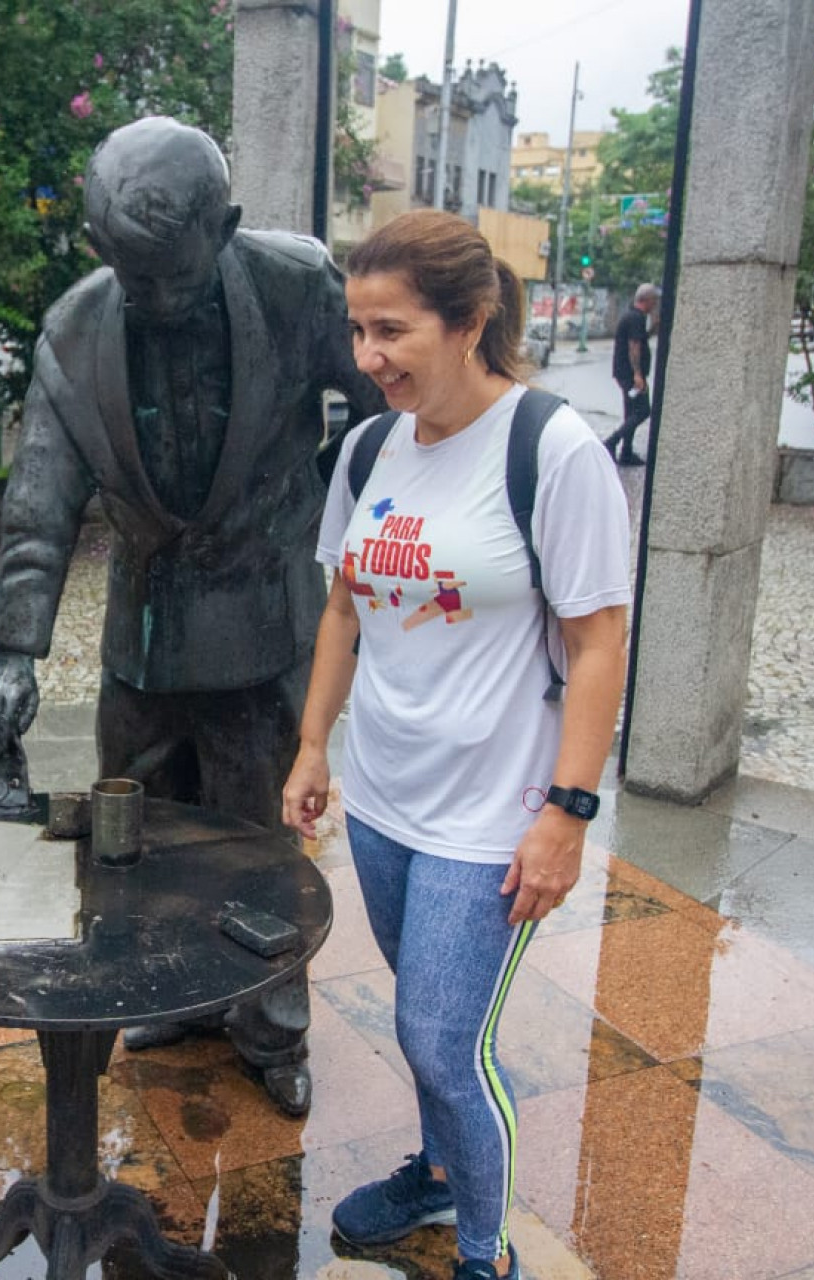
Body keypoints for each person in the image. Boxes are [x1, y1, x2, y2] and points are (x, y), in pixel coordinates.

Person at [0, 116, 387, 1117]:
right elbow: (41, 501)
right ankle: (178, 994)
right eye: (126, 270)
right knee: (137, 831)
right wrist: (13, 653)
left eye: (168, 274)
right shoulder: (74, 330)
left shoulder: (296, 287)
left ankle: (269, 1022)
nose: (146, 296)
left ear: (227, 226)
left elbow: (388, 399)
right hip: (145, 633)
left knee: (258, 833)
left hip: (264, 617)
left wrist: (324, 502)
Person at [280, 210, 631, 1280]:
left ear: (470, 321)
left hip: (495, 810)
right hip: (387, 797)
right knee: (424, 1010)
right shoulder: (370, 447)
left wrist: (565, 814)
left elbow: (598, 637)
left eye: (392, 331)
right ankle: (438, 1171)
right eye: (357, 330)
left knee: (443, 1036)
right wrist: (311, 746)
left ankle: (486, 1251)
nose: (367, 357)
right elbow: (343, 606)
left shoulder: (551, 448)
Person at [603, 282, 661, 465]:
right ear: (647, 299)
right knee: (643, 410)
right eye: (654, 300)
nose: (656, 303)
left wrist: (654, 326)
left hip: (624, 372)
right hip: (630, 373)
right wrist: (638, 374)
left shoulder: (634, 316)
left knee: (631, 412)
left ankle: (626, 452)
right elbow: (634, 346)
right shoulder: (635, 318)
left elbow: (641, 339)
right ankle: (612, 441)